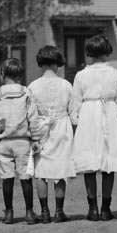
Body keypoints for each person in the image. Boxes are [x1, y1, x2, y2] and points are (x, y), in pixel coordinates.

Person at [71, 34, 117, 221]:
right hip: (109, 113)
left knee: (89, 162)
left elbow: (75, 103)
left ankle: (93, 208)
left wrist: (76, 121)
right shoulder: (116, 74)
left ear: (89, 53)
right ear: (107, 52)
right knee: (108, 164)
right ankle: (105, 208)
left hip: (88, 116)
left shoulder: (81, 75)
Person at [0, 58, 48, 224]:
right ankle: (29, 212)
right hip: (23, 141)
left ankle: (9, 213)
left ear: (2, 74)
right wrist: (36, 138)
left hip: (4, 142)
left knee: (7, 178)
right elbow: (33, 118)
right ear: (20, 75)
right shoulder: (26, 92)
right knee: (25, 177)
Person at [27, 45, 78, 223]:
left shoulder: (33, 86)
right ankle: (59, 211)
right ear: (57, 63)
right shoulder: (66, 85)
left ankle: (44, 212)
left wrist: (33, 134)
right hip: (62, 127)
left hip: (41, 128)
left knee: (40, 170)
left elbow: (31, 113)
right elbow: (73, 112)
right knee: (60, 170)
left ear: (41, 63)